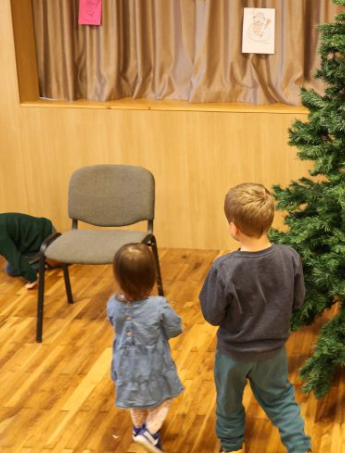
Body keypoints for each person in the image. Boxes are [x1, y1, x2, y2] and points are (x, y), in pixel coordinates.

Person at [199, 183, 311, 453]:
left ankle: (231, 447)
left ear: (234, 228)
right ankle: (300, 447)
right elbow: (297, 300)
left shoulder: (224, 267)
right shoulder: (289, 257)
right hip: (272, 352)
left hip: (233, 355)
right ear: (269, 221)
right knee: (282, 400)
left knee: (228, 403)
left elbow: (212, 315)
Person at [107, 243, 184, 452]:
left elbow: (113, 323)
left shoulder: (113, 304)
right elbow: (175, 327)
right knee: (164, 399)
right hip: (153, 364)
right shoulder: (158, 305)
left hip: (124, 365)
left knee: (136, 400)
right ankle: (150, 432)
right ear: (151, 276)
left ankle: (138, 430)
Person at [0, 204, 55, 289]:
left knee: (11, 269)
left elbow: (14, 256)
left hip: (45, 241)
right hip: (44, 229)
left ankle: (47, 262)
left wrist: (32, 278)